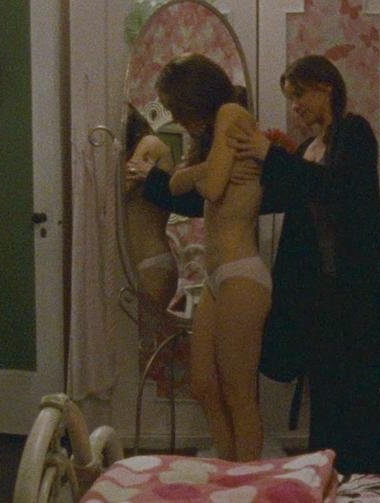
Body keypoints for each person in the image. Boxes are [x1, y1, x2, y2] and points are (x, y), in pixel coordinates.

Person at [227, 55, 380, 476]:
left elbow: (336, 186)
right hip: (322, 290)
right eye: (291, 98)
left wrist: (274, 155)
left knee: (358, 389)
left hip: (358, 286)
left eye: (300, 94)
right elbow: (283, 196)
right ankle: (328, 478)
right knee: (324, 389)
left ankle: (372, 482)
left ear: (326, 88)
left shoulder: (355, 132)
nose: (296, 106)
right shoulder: (307, 148)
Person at [129, 53, 269, 462]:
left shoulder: (231, 112)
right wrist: (203, 170)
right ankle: (226, 470)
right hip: (215, 277)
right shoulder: (210, 138)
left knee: (238, 392)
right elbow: (176, 185)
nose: (174, 116)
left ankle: (246, 481)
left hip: (242, 273)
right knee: (204, 386)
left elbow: (210, 189)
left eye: (175, 106)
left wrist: (202, 174)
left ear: (194, 95)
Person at [121, 105, 178, 313]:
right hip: (136, 262)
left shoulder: (150, 143)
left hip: (151, 262)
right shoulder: (130, 153)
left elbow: (123, 188)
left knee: (145, 328)